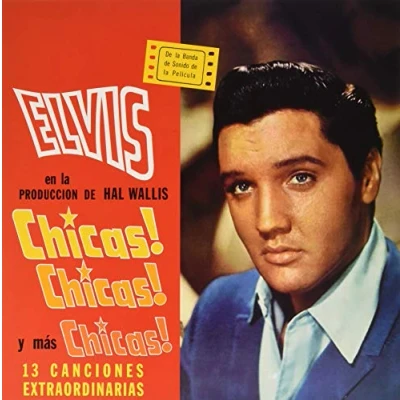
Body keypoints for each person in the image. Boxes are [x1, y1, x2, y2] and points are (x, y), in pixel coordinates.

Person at [180, 61, 400, 400]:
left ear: (368, 176)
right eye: (241, 186)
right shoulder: (216, 309)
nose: (268, 222)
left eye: (300, 178)